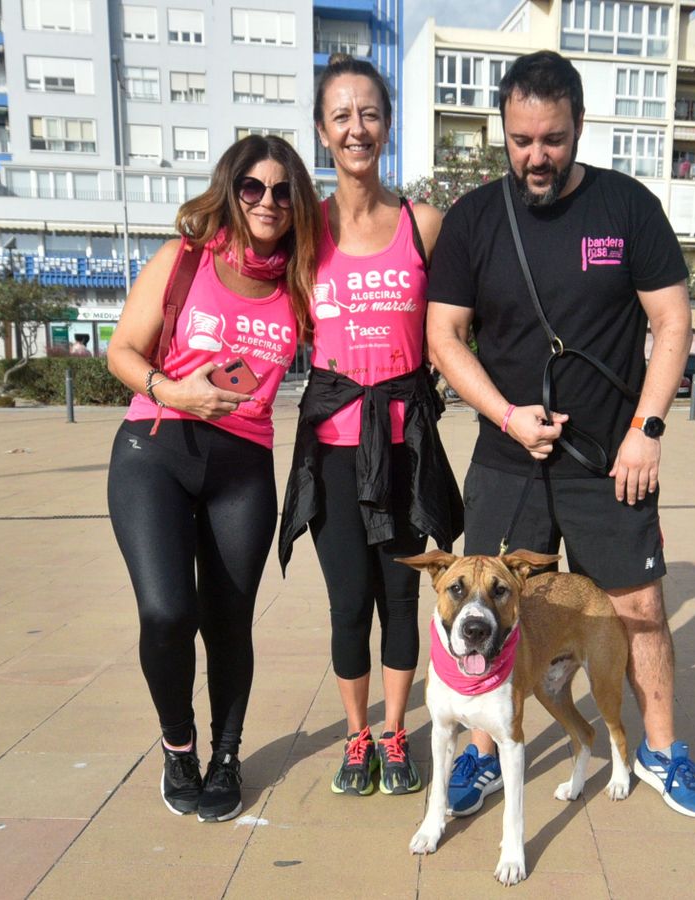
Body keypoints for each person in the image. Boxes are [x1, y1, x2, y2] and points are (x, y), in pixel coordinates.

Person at [425, 50, 695, 819]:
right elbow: (444, 337)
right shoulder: (474, 221)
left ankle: (660, 749)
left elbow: (672, 319)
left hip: (609, 461)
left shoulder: (627, 208)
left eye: (552, 138)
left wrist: (646, 430)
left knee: (640, 609)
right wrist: (507, 416)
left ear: (580, 126)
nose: (536, 156)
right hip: (507, 457)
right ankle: (484, 757)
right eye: (520, 140)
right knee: (486, 611)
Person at [105, 135, 321, 823]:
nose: (268, 202)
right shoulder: (184, 260)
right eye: (254, 188)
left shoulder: (302, 282)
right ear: (232, 190)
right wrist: (174, 393)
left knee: (229, 623)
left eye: (284, 191)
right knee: (168, 613)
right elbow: (120, 352)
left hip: (242, 467)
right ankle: (179, 745)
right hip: (156, 449)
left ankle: (225, 758)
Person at [277, 55, 463, 798]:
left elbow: (459, 322)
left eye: (370, 113)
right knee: (348, 602)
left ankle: (395, 735)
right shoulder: (301, 231)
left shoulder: (423, 223)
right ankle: (355, 738)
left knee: (403, 598)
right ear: (323, 132)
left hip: (406, 447)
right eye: (341, 115)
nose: (357, 127)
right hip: (332, 450)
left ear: (387, 124)